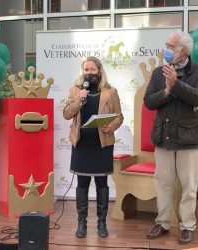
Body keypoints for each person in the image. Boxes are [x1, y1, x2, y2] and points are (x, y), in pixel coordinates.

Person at [144, 31, 198, 244]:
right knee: (162, 183)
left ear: (183, 50)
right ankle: (162, 222)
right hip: (164, 137)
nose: (167, 49)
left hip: (190, 140)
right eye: (167, 45)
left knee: (190, 186)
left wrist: (177, 84)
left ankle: (187, 226)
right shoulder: (157, 73)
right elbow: (149, 102)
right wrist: (166, 90)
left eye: (171, 46)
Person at [63, 56, 123, 238]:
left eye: (92, 69)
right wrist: (79, 100)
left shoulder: (110, 92)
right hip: (82, 144)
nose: (89, 73)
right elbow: (66, 114)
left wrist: (111, 126)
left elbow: (119, 117)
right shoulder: (75, 90)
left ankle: (102, 223)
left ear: (99, 71)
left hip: (101, 144)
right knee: (82, 183)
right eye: (86, 70)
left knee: (101, 183)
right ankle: (82, 223)